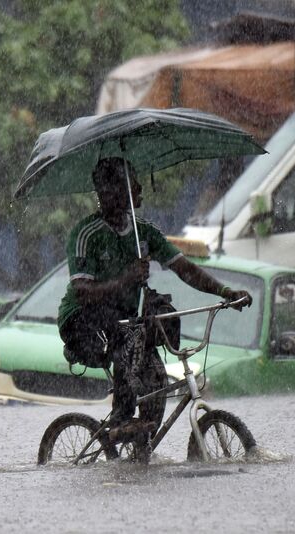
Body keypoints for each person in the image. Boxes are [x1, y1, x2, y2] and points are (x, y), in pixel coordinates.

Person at [57, 157, 251, 441]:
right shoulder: (86, 234)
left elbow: (185, 269)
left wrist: (225, 292)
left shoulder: (144, 233)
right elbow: (82, 292)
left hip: (122, 321)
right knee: (129, 335)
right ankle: (121, 419)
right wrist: (126, 279)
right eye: (133, 184)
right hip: (83, 321)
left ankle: (140, 450)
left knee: (156, 377)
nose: (140, 189)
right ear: (111, 192)